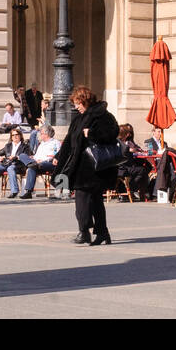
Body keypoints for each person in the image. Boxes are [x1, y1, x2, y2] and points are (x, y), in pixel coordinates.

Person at [54, 85, 119, 245]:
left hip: (94, 167)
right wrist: (59, 156)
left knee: (82, 200)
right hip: (80, 166)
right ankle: (103, 233)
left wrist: (92, 134)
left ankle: (84, 232)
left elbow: (112, 134)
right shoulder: (78, 119)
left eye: (78, 103)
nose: (76, 107)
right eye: (75, 104)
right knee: (96, 200)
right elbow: (70, 141)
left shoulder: (103, 116)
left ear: (86, 101)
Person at [0, 128, 30, 198]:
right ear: (11, 137)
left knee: (10, 168)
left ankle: (14, 191)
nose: (15, 137)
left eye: (17, 134)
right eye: (13, 135)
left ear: (20, 136)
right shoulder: (8, 146)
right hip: (6, 164)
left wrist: (16, 157)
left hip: (18, 165)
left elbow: (26, 156)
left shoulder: (25, 146)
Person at [19, 126, 60, 197]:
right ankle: (29, 192)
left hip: (49, 163)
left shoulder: (55, 143)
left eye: (41, 133)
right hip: (37, 163)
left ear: (46, 134)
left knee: (35, 166)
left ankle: (33, 164)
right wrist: (33, 158)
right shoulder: (41, 144)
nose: (40, 135)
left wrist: (42, 160)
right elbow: (37, 156)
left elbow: (55, 156)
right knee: (22, 156)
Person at [117, 124, 152, 200]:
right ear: (126, 134)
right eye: (128, 133)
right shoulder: (122, 144)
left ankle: (140, 192)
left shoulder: (119, 142)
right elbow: (125, 152)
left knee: (144, 167)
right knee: (142, 170)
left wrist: (134, 150)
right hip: (122, 168)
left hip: (119, 167)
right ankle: (131, 189)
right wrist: (131, 150)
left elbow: (133, 148)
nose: (130, 134)